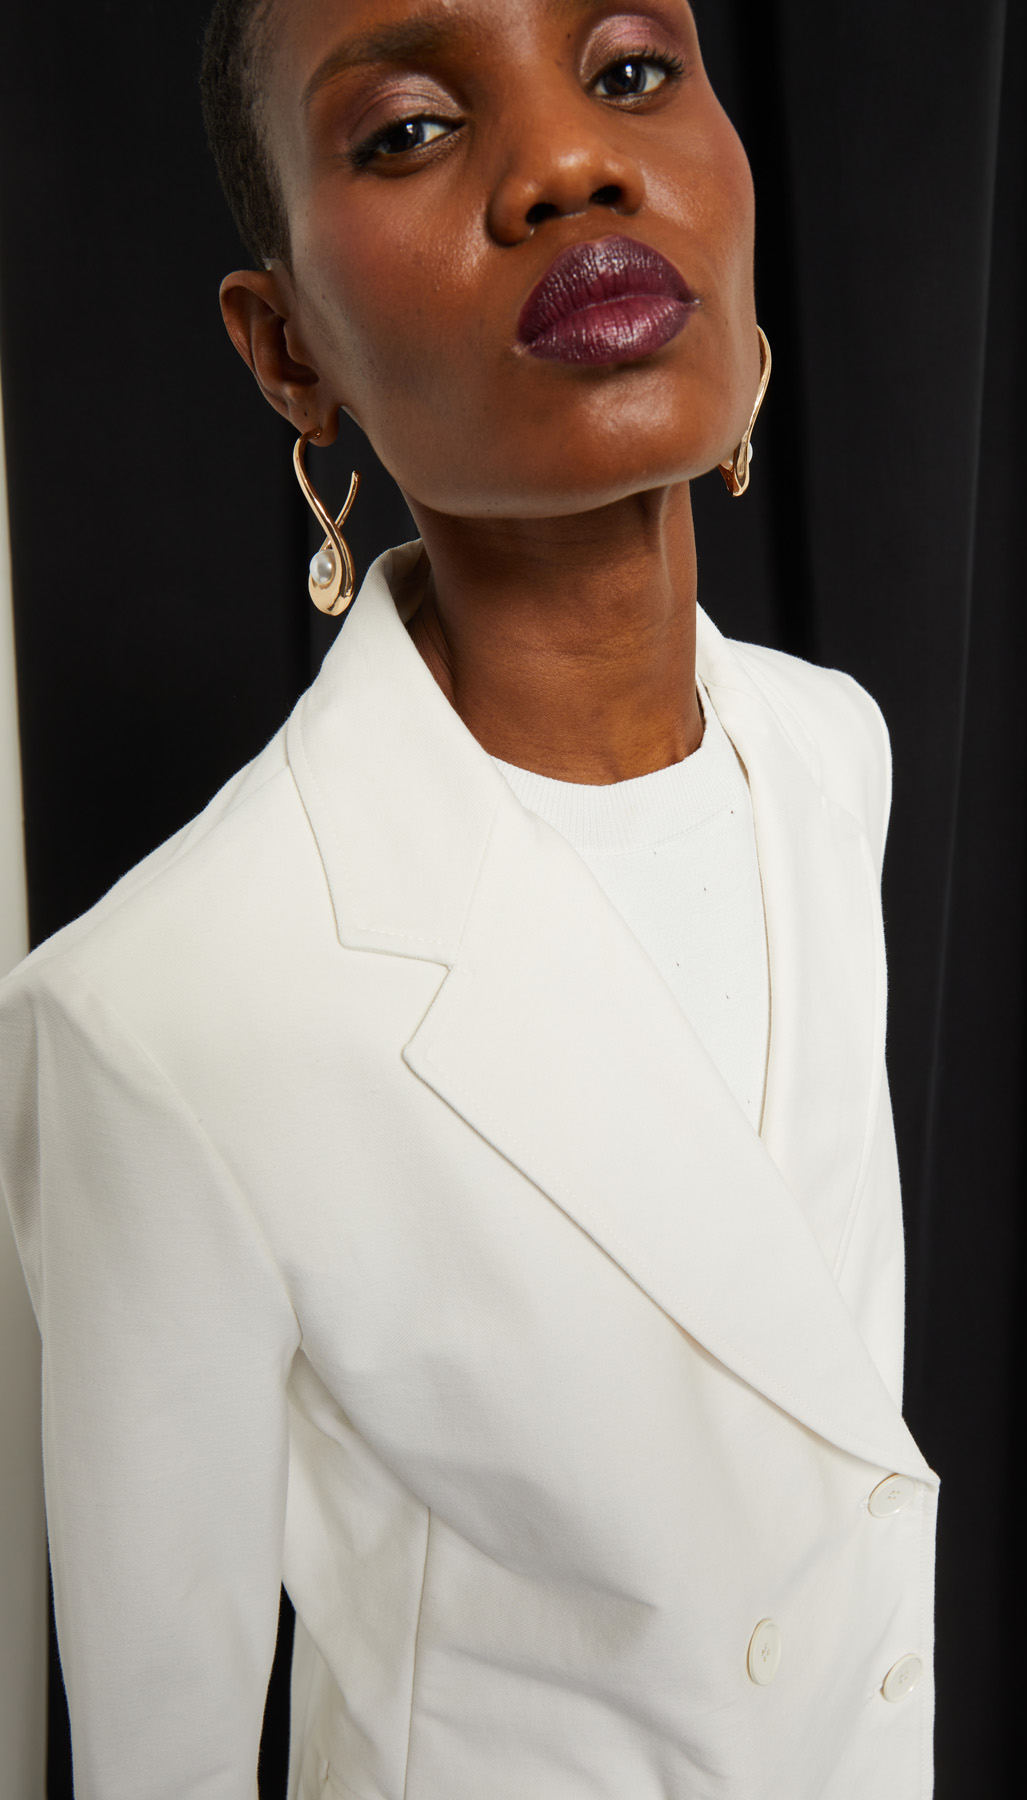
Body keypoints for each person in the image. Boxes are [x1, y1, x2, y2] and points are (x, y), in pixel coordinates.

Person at [0, 1, 938, 1794]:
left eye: (633, 73)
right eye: (413, 130)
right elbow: (159, 1751)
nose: (572, 162)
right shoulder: (161, 1016)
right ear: (289, 352)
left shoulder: (832, 755)